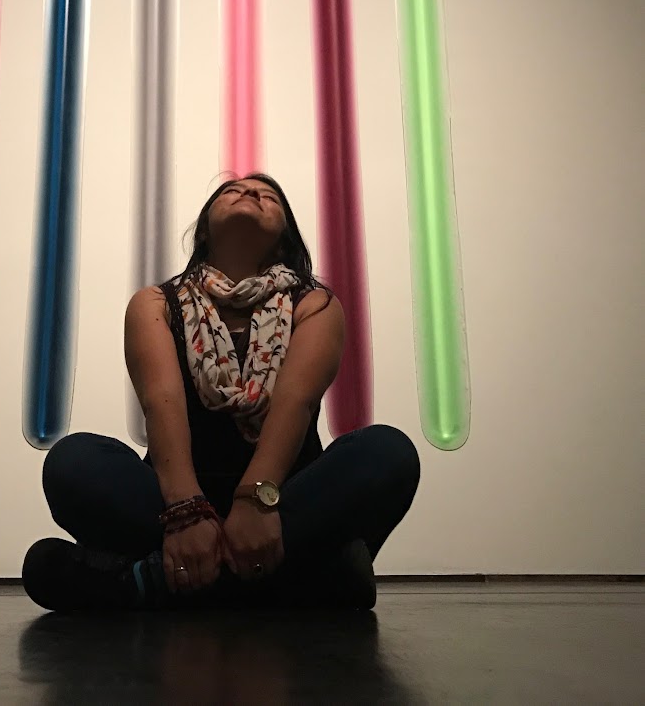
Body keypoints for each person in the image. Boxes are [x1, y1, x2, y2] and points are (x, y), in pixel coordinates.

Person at [23, 173, 420, 611]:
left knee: (388, 453)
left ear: (284, 240)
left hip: (283, 500)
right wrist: (186, 513)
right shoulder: (156, 304)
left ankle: (153, 581)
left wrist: (255, 504)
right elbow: (161, 402)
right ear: (204, 230)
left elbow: (297, 402)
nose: (249, 192)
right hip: (172, 500)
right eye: (232, 191)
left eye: (268, 196)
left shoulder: (315, 305)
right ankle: (301, 584)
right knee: (73, 462)